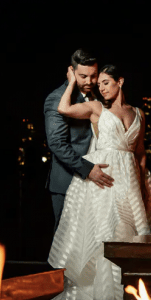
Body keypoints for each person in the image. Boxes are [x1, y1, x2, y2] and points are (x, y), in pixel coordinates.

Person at [43, 64, 151, 300]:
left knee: (130, 236)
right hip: (102, 182)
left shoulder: (138, 113)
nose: (100, 87)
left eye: (105, 82)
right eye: (99, 83)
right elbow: (64, 108)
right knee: (102, 237)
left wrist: (142, 186)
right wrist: (71, 81)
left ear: (120, 82)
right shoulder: (96, 109)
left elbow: (140, 154)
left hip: (130, 182)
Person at [44, 49, 114, 232]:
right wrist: (88, 169)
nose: (89, 82)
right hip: (68, 182)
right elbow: (57, 143)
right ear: (71, 72)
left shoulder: (99, 96)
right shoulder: (57, 99)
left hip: (98, 182)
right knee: (64, 247)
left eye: (93, 76)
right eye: (83, 76)